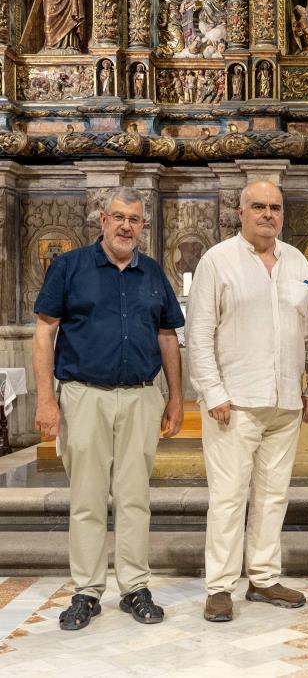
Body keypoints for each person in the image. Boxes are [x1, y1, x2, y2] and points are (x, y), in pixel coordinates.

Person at [32, 187, 184, 631]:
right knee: (87, 498)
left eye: (134, 219)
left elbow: (167, 337)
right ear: (102, 219)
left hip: (140, 395)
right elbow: (44, 334)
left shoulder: (153, 273)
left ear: (143, 225)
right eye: (118, 217)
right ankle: (86, 590)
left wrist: (175, 396)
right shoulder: (70, 267)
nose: (125, 226)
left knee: (135, 497)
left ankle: (135, 586)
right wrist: (45, 399)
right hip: (84, 395)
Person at [185, 180, 308, 623]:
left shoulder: (296, 260)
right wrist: (213, 392)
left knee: (273, 495)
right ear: (241, 212)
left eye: (275, 207)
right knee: (228, 497)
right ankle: (220, 586)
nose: (268, 214)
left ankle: (263, 578)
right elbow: (199, 333)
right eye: (259, 207)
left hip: (285, 401)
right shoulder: (218, 261)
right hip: (236, 401)